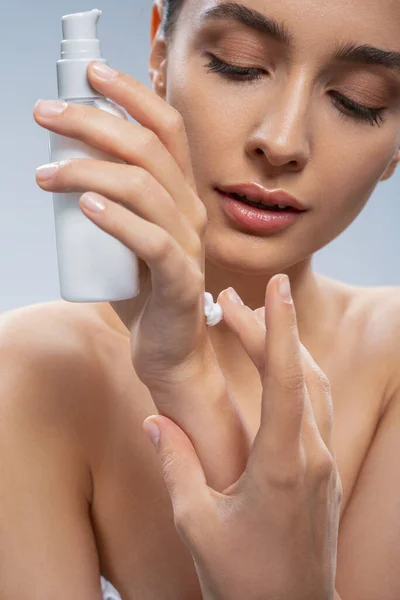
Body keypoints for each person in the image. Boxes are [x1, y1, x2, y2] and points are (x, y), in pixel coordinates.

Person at [0, 0, 399, 598]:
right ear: (161, 51)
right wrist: (180, 371)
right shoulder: (34, 373)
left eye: (357, 100)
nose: (283, 141)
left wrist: (186, 376)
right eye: (238, 65)